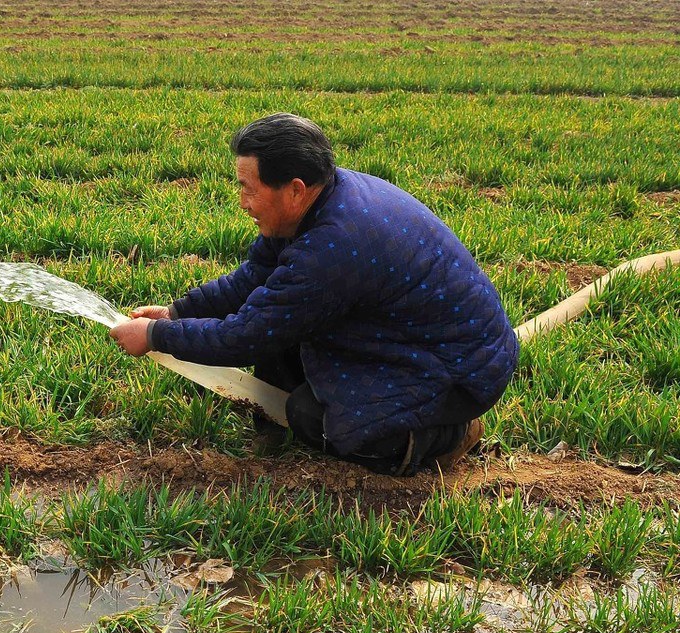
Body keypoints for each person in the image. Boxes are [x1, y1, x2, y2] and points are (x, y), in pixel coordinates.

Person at [109, 112, 518, 476]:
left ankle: (444, 437)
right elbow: (254, 278)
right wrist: (175, 312)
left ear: (295, 189)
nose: (243, 202)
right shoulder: (322, 201)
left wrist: (154, 338)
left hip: (458, 371)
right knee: (280, 318)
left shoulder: (331, 249)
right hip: (408, 334)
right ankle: (280, 421)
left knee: (313, 417)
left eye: (249, 189)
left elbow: (244, 337)